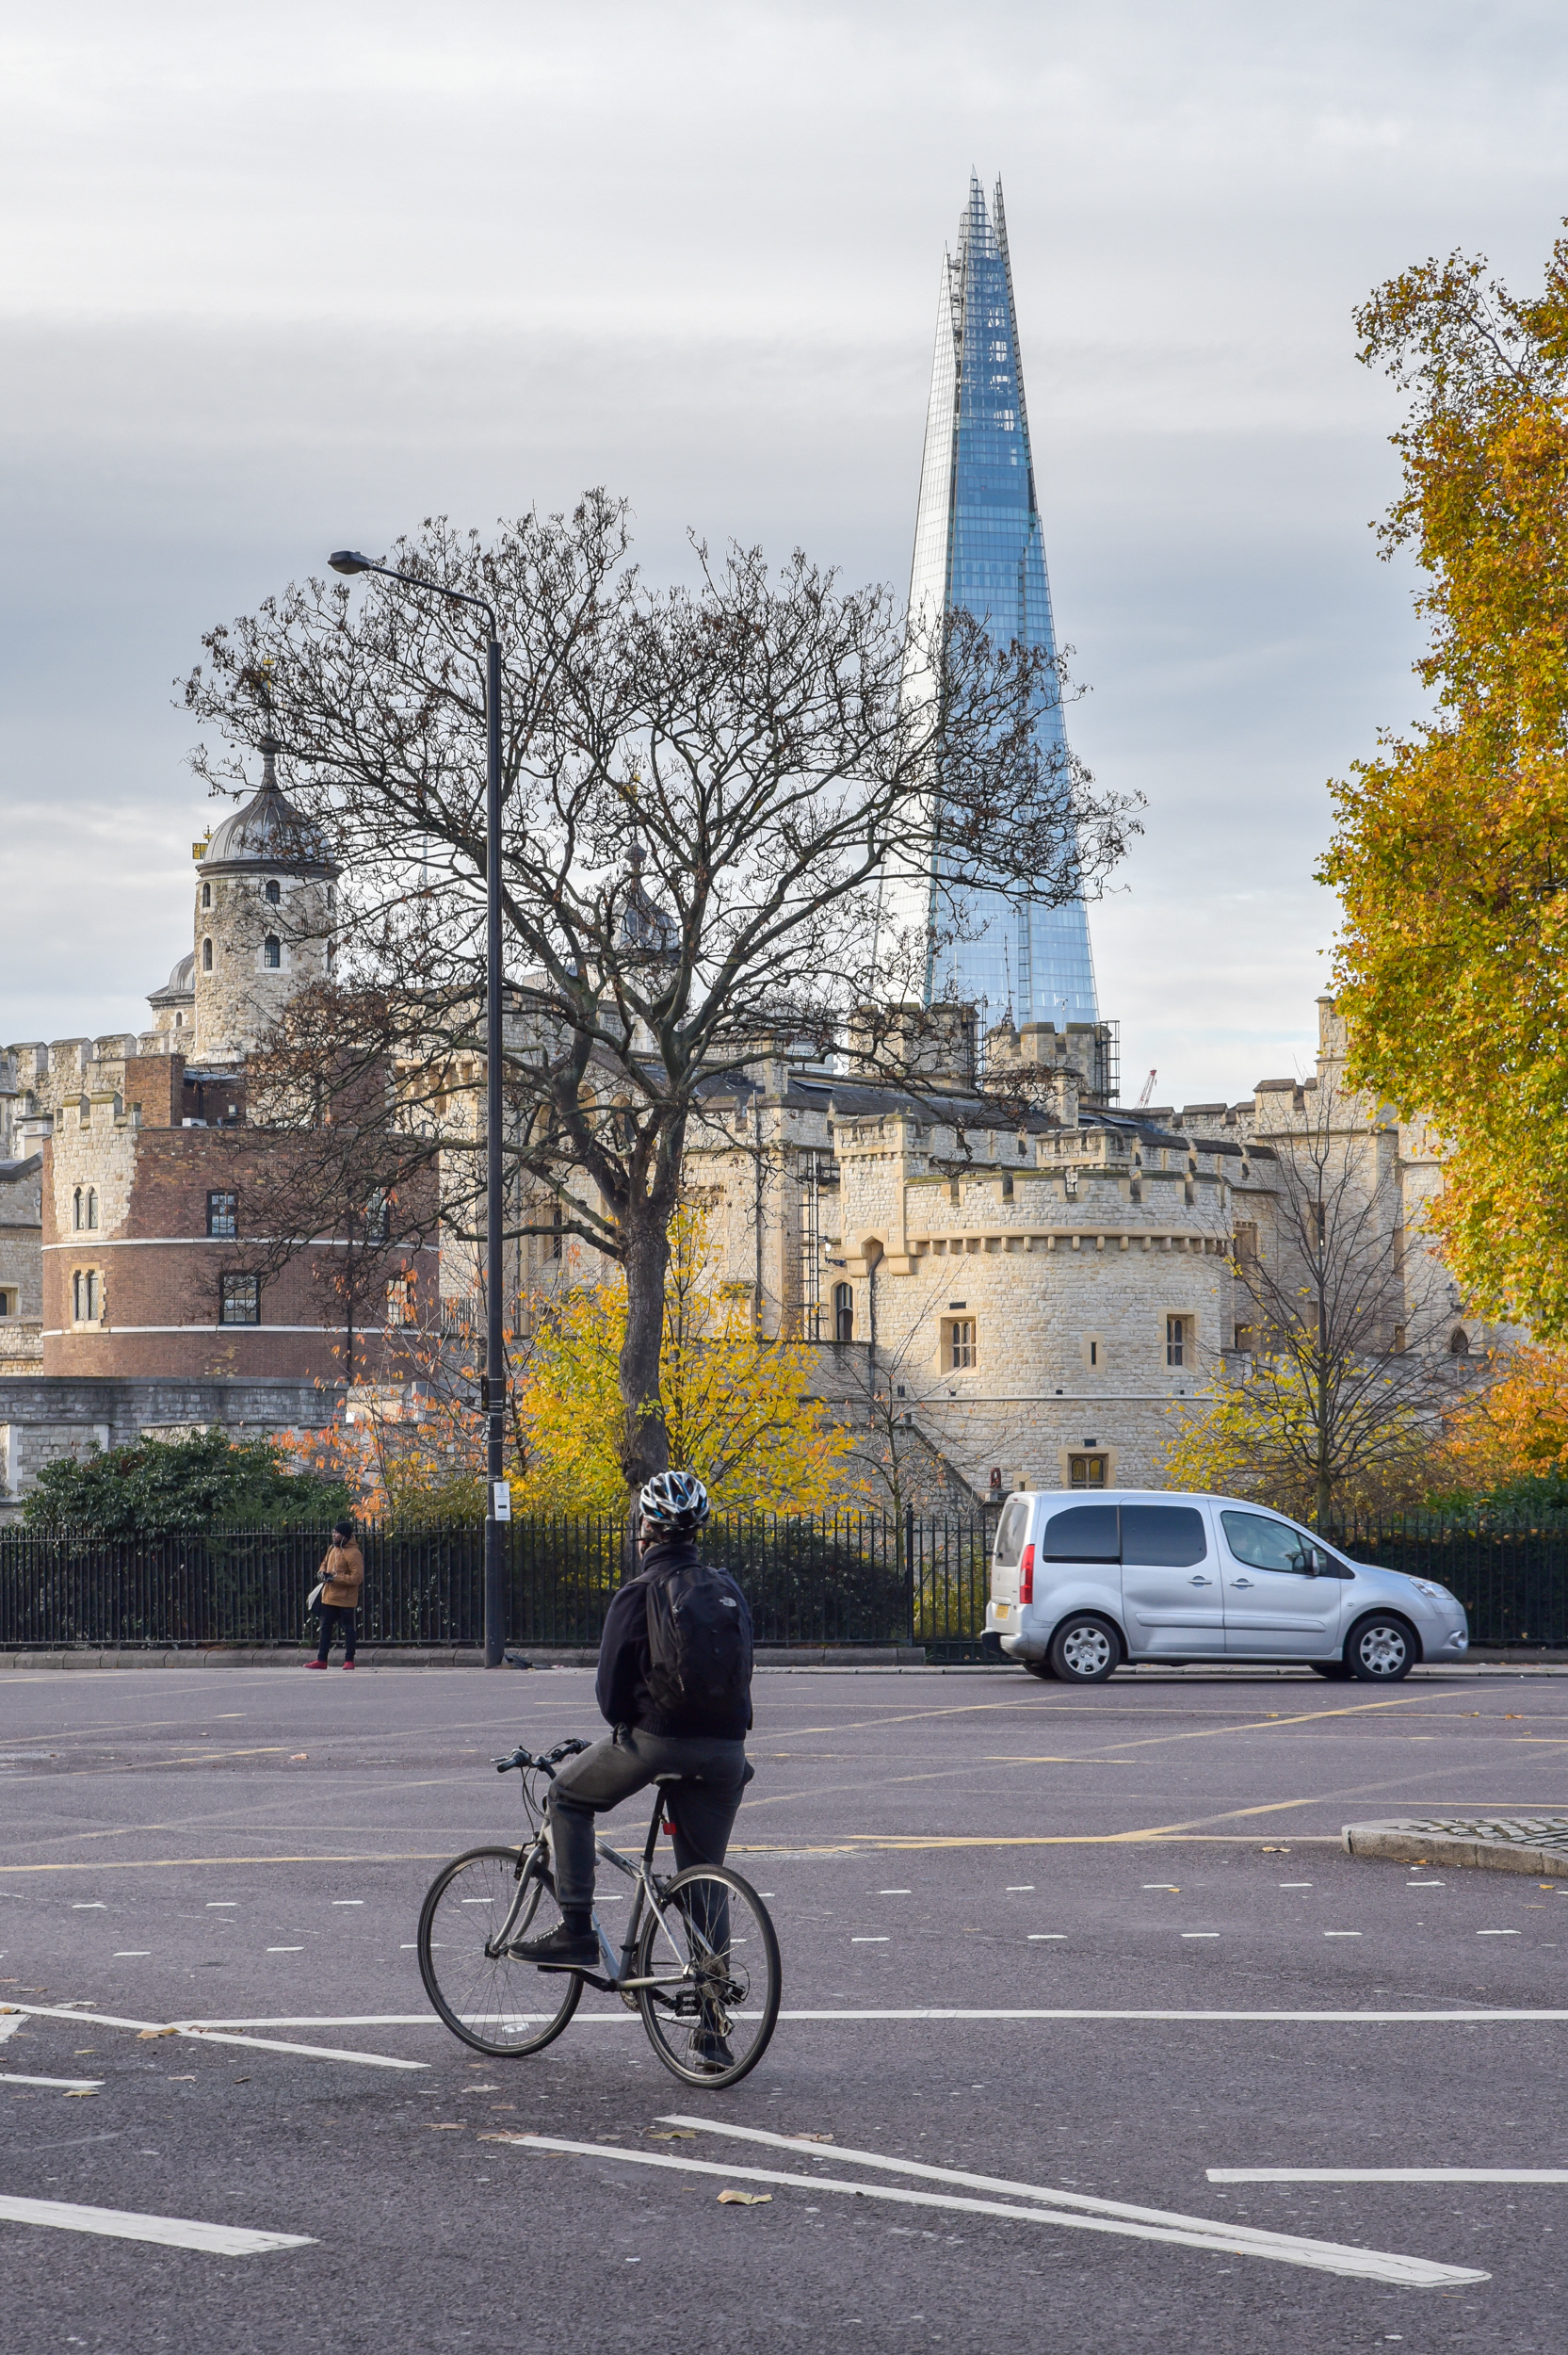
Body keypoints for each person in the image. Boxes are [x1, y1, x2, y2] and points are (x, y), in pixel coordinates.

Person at [515, 1470, 752, 2064]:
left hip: (659, 1742)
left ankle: (575, 1930)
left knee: (567, 1797)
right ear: (695, 1532)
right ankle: (713, 2032)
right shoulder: (726, 1588)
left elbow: (609, 1699)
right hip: (727, 1751)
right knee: (704, 1879)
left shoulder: (638, 1592)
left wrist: (633, 1722)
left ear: (646, 1528)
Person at [308, 1519, 364, 1669]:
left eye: (337, 1533)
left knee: (348, 1629)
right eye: (333, 1532)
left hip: (345, 1599)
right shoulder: (332, 1549)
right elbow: (324, 1564)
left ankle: (349, 1660)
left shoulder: (354, 1553)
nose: (334, 1535)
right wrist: (322, 1573)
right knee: (325, 1628)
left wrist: (335, 1578)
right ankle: (321, 1660)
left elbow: (357, 1577)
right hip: (329, 1596)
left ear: (344, 1535)